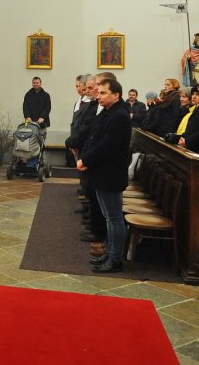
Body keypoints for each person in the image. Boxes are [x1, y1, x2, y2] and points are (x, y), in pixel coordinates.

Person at [78, 78, 131, 273]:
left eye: (103, 93)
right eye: (98, 93)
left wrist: (86, 159)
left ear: (116, 95)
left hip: (110, 174)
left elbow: (108, 146)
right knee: (109, 217)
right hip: (101, 173)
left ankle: (115, 259)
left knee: (114, 218)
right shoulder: (110, 112)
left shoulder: (120, 116)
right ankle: (110, 253)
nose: (98, 96)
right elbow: (94, 137)